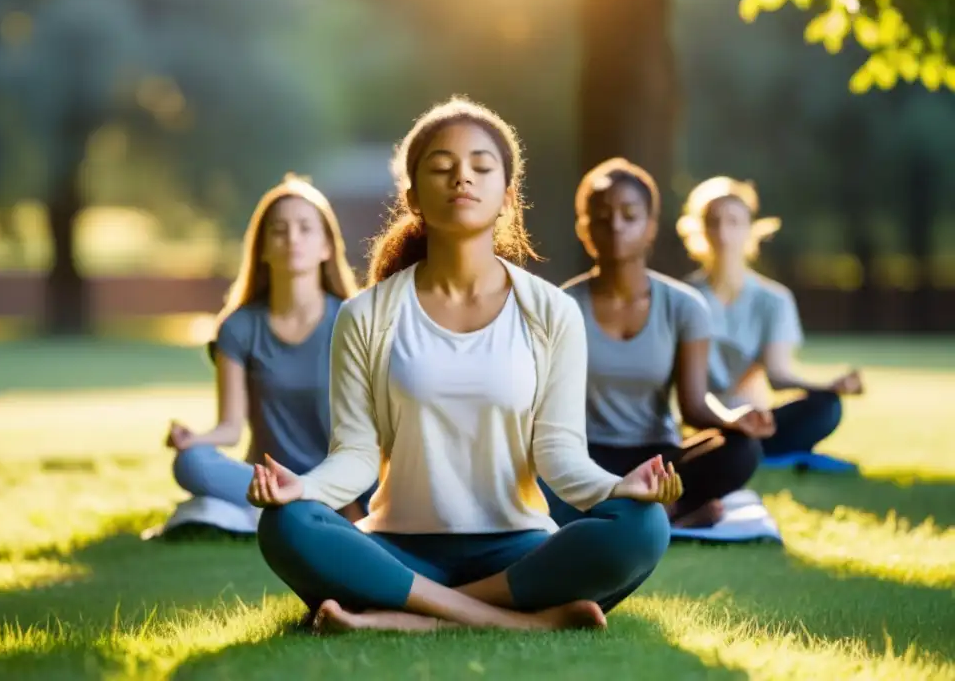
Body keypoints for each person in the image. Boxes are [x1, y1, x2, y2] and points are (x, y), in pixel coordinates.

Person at [246, 97, 682, 634]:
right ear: (413, 197)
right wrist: (304, 490)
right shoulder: (367, 315)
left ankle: (404, 616)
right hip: (399, 550)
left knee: (643, 526)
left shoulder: (552, 312)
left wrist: (620, 488)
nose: (462, 179)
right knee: (287, 525)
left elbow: (560, 455)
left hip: (515, 552)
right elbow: (356, 457)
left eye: (480, 166)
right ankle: (512, 621)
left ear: (507, 195)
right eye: (441, 168)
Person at [547, 159, 773, 529]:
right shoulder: (561, 305)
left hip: (657, 459)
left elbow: (694, 407)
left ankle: (653, 512)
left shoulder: (684, 306)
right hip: (583, 457)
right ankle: (668, 517)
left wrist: (733, 419)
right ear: (584, 230)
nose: (616, 225)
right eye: (602, 218)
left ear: (650, 227)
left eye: (629, 215)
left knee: (741, 451)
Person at [167, 174, 367, 523]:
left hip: (340, 479)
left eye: (305, 228)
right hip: (267, 478)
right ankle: (302, 507)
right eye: (279, 230)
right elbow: (229, 428)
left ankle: (298, 506)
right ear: (262, 247)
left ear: (326, 247)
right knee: (191, 463)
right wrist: (195, 439)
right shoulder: (238, 327)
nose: (292, 238)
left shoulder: (353, 319)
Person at [676, 176, 864, 466]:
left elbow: (778, 375)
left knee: (826, 407)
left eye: (733, 222)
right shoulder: (681, 298)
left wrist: (829, 385)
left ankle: (750, 453)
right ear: (699, 229)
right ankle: (764, 456)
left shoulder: (774, 299)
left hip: (757, 421)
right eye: (713, 221)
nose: (723, 232)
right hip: (703, 422)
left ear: (750, 229)